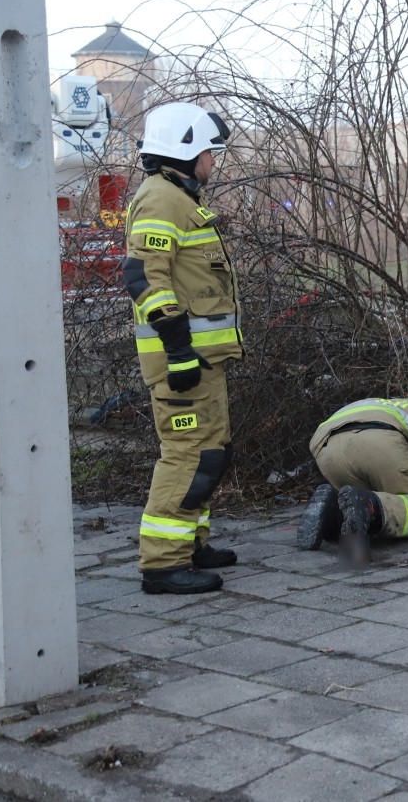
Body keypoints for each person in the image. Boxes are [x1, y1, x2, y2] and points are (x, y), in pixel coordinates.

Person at [123, 102, 241, 595]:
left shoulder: (177, 197)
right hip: (183, 361)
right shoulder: (161, 200)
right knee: (188, 454)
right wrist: (179, 351)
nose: (214, 163)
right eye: (209, 153)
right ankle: (162, 564)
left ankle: (191, 543)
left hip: (202, 360)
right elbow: (143, 275)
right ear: (185, 152)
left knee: (209, 452)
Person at [298, 396, 408, 567]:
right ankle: (371, 508)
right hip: (380, 442)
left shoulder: (384, 404)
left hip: (325, 447)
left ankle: (330, 513)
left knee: (353, 503)